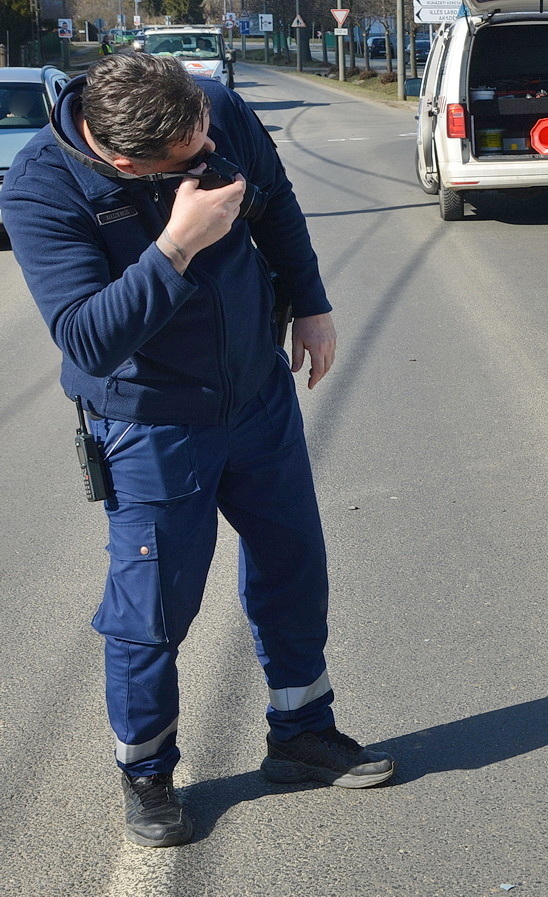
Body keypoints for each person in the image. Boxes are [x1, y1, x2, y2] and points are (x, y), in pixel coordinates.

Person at [0, 53, 394, 849]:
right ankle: (146, 773)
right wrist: (176, 244)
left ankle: (300, 731)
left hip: (256, 397)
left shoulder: (203, 107)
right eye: (189, 153)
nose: (210, 146)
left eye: (206, 127)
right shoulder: (41, 185)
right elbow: (87, 337)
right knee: (151, 609)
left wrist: (311, 304)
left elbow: (276, 202)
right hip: (150, 424)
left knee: (293, 563)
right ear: (124, 162)